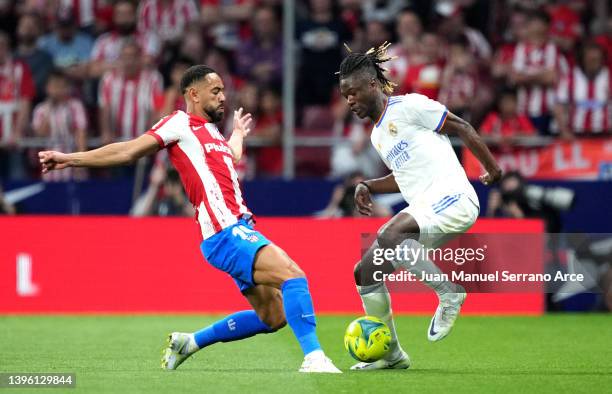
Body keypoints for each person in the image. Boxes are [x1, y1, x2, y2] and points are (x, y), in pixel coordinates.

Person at [38, 65, 341, 374]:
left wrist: (237, 133)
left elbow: (231, 155)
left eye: (223, 91)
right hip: (225, 231)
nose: (223, 97)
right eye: (216, 91)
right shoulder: (177, 124)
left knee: (273, 317)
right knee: (292, 274)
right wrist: (69, 158)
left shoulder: (211, 133)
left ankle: (190, 342)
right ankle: (314, 358)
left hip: (236, 230)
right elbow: (129, 151)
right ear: (193, 94)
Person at [337, 43, 501, 370]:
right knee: (365, 272)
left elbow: (461, 127)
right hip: (428, 209)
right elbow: (404, 177)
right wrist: (368, 184)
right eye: (345, 96)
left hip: (456, 198)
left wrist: (491, 167)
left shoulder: (409, 106)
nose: (349, 101)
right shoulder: (378, 136)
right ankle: (391, 355)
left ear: (372, 85)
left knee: (389, 234)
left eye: (353, 92)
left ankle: (449, 293)